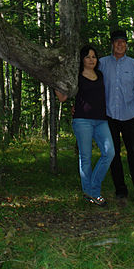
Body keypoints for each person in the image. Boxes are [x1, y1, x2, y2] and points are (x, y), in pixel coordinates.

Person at [56, 45, 115, 207]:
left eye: (94, 56)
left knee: (109, 152)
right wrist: (54, 81)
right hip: (82, 121)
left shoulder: (101, 75)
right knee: (86, 158)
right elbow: (62, 97)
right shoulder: (76, 77)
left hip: (101, 120)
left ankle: (92, 189)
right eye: (88, 57)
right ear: (82, 59)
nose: (91, 59)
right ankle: (92, 193)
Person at [98, 30, 134, 208]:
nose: (120, 45)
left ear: (127, 44)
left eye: (123, 42)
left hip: (130, 117)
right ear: (112, 44)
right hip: (109, 117)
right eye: (117, 42)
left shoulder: (133, 65)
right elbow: (93, 86)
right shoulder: (102, 63)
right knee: (113, 155)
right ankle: (121, 192)